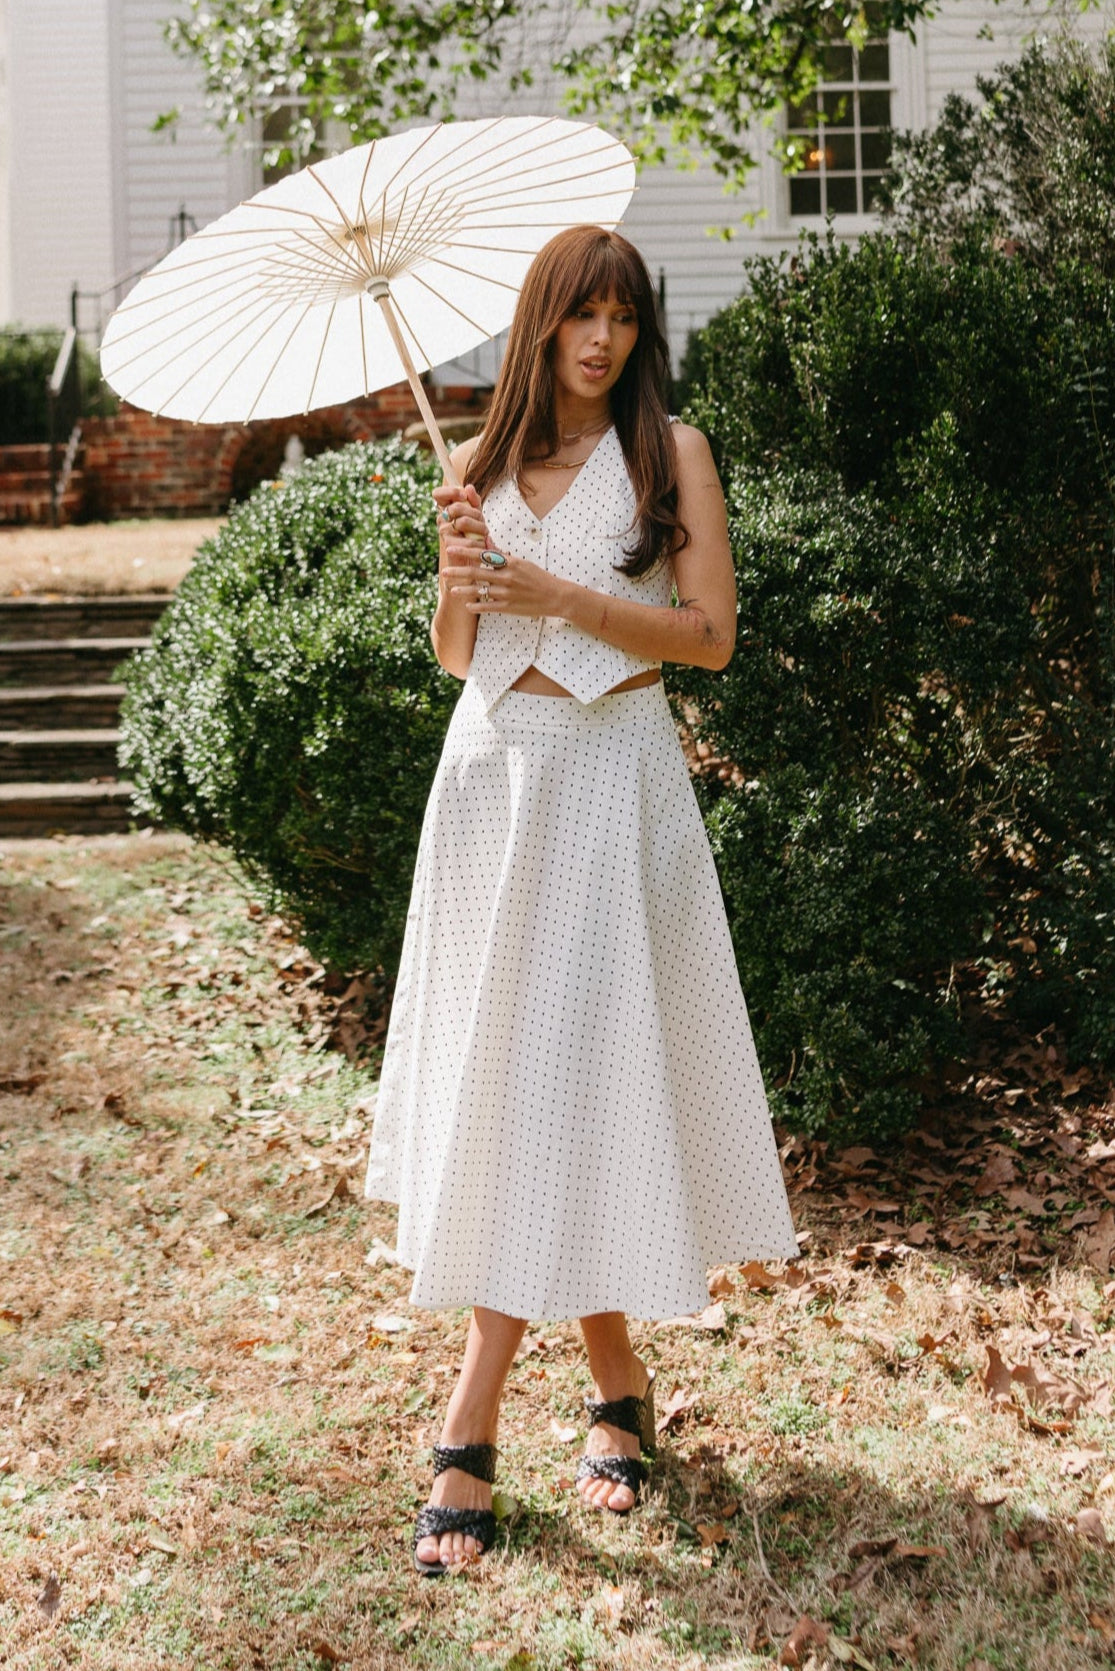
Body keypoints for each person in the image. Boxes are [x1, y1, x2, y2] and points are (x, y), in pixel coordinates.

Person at [363, 224, 799, 1577]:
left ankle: (469, 1420)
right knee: (538, 1081)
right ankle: (617, 1393)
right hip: (495, 790)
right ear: (539, 327)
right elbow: (460, 658)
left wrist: (564, 591)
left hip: (612, 791)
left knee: (566, 1076)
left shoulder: (670, 457)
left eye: (623, 316)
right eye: (579, 317)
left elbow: (712, 636)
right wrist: (462, 574)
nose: (602, 340)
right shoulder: (479, 467)